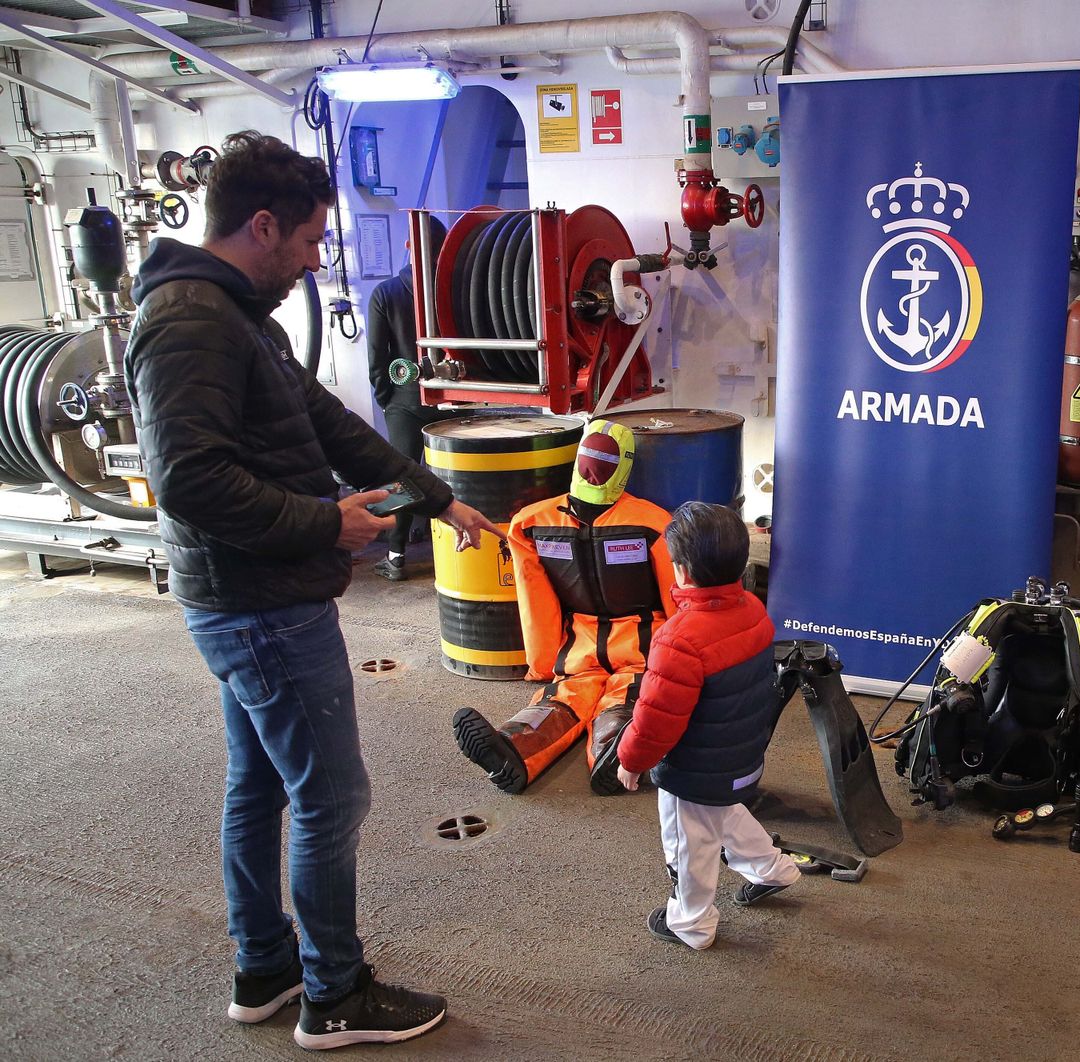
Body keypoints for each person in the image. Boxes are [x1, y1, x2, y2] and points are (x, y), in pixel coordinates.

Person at [125, 131, 501, 1051]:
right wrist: (326, 523)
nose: (311, 260)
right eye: (304, 242)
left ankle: (265, 969)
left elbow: (326, 420)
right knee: (332, 798)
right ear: (261, 226)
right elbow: (189, 479)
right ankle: (335, 995)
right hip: (260, 606)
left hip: (258, 597)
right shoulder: (191, 321)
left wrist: (436, 497)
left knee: (259, 786)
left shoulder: (236, 312)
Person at [452, 419, 677, 795]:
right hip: (642, 649)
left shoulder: (530, 523)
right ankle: (614, 748)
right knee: (627, 698)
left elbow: (535, 600)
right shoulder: (654, 522)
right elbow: (676, 598)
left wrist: (542, 662)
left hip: (576, 651)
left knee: (563, 700)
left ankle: (515, 747)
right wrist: (684, 661)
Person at [613, 501, 801, 950]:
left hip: (693, 772)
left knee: (688, 844)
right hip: (740, 757)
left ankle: (692, 924)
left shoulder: (679, 640)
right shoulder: (754, 608)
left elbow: (655, 720)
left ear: (681, 571)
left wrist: (630, 760)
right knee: (724, 813)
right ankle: (773, 870)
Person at [365, 216, 450, 581]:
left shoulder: (385, 293)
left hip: (405, 401)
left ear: (407, 246)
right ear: (443, 249)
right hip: (451, 400)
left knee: (399, 478)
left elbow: (376, 358)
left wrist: (388, 399)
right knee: (452, 473)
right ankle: (451, 548)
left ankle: (396, 555)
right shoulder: (452, 291)